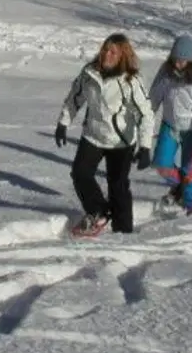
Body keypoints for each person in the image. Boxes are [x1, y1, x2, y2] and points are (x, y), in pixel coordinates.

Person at [55, 33, 155, 236]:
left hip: (121, 141)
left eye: (113, 52)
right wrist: (64, 122)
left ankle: (124, 231)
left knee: (118, 186)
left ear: (122, 56)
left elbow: (146, 114)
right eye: (105, 49)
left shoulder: (130, 80)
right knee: (80, 174)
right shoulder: (89, 73)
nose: (107, 55)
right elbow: (75, 98)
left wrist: (145, 146)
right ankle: (99, 211)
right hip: (93, 135)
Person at [150, 34, 192, 214]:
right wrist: (145, 122)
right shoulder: (165, 72)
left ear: (190, 59)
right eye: (175, 59)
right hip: (170, 125)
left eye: (182, 60)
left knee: (191, 172)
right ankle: (180, 187)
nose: (178, 64)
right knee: (162, 164)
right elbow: (154, 97)